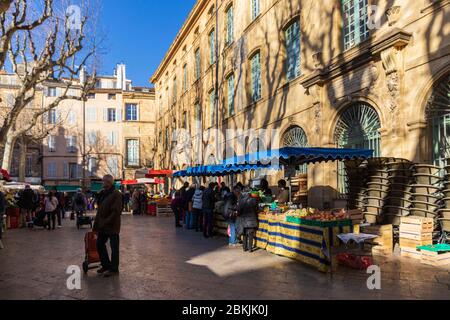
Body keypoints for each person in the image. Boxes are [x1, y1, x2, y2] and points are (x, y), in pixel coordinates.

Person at [93, 174, 123, 277]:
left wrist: (106, 221)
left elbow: (116, 211)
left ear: (109, 183)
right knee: (99, 244)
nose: (102, 183)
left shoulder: (116, 194)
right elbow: (100, 209)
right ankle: (106, 265)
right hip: (103, 225)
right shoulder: (104, 193)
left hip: (112, 225)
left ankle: (114, 269)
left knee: (114, 248)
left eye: (103, 181)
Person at [236, 186, 258, 253]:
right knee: (251, 234)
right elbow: (256, 209)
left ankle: (244, 248)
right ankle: (250, 249)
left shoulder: (241, 201)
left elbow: (239, 211)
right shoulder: (254, 200)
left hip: (244, 220)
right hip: (252, 220)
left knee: (244, 234)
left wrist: (239, 214)